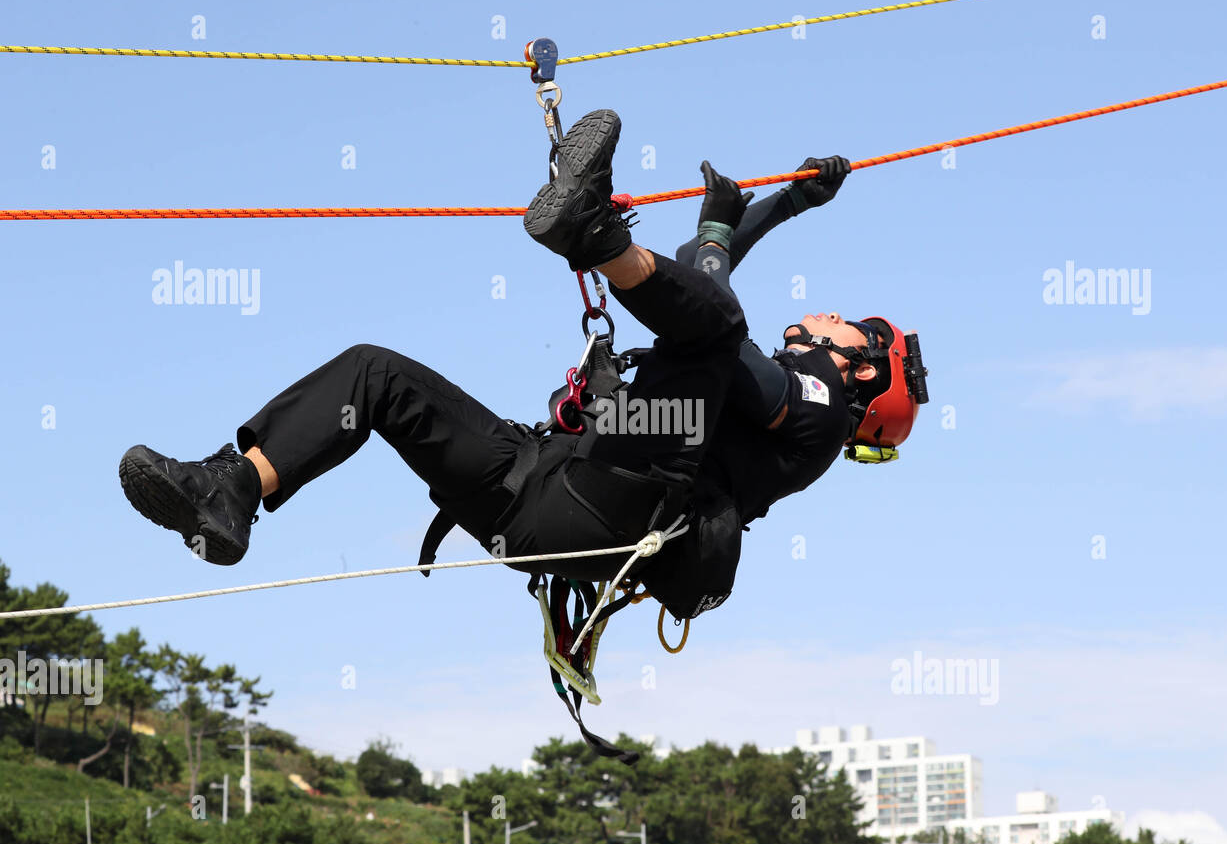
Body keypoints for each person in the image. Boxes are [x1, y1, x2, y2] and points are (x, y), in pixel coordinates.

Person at [119, 109, 926, 625]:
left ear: (859, 375)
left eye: (851, 328)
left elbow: (707, 297)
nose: (831, 315)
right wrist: (788, 202)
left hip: (602, 518)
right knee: (376, 375)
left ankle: (592, 231)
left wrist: (718, 234)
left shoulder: (818, 417)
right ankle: (227, 493)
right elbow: (696, 282)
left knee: (711, 331)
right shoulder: (777, 383)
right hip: (530, 488)